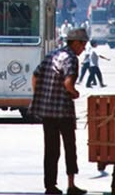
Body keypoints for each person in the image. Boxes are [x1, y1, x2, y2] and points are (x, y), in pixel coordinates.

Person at [29, 27, 89, 195]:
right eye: (83, 44)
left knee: (51, 150)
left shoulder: (52, 55)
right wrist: (74, 93)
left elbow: (35, 76)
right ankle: (71, 184)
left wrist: (39, 95)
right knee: (70, 147)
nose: (83, 48)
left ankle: (50, 186)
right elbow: (68, 83)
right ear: (76, 43)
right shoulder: (71, 59)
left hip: (47, 112)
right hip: (63, 112)